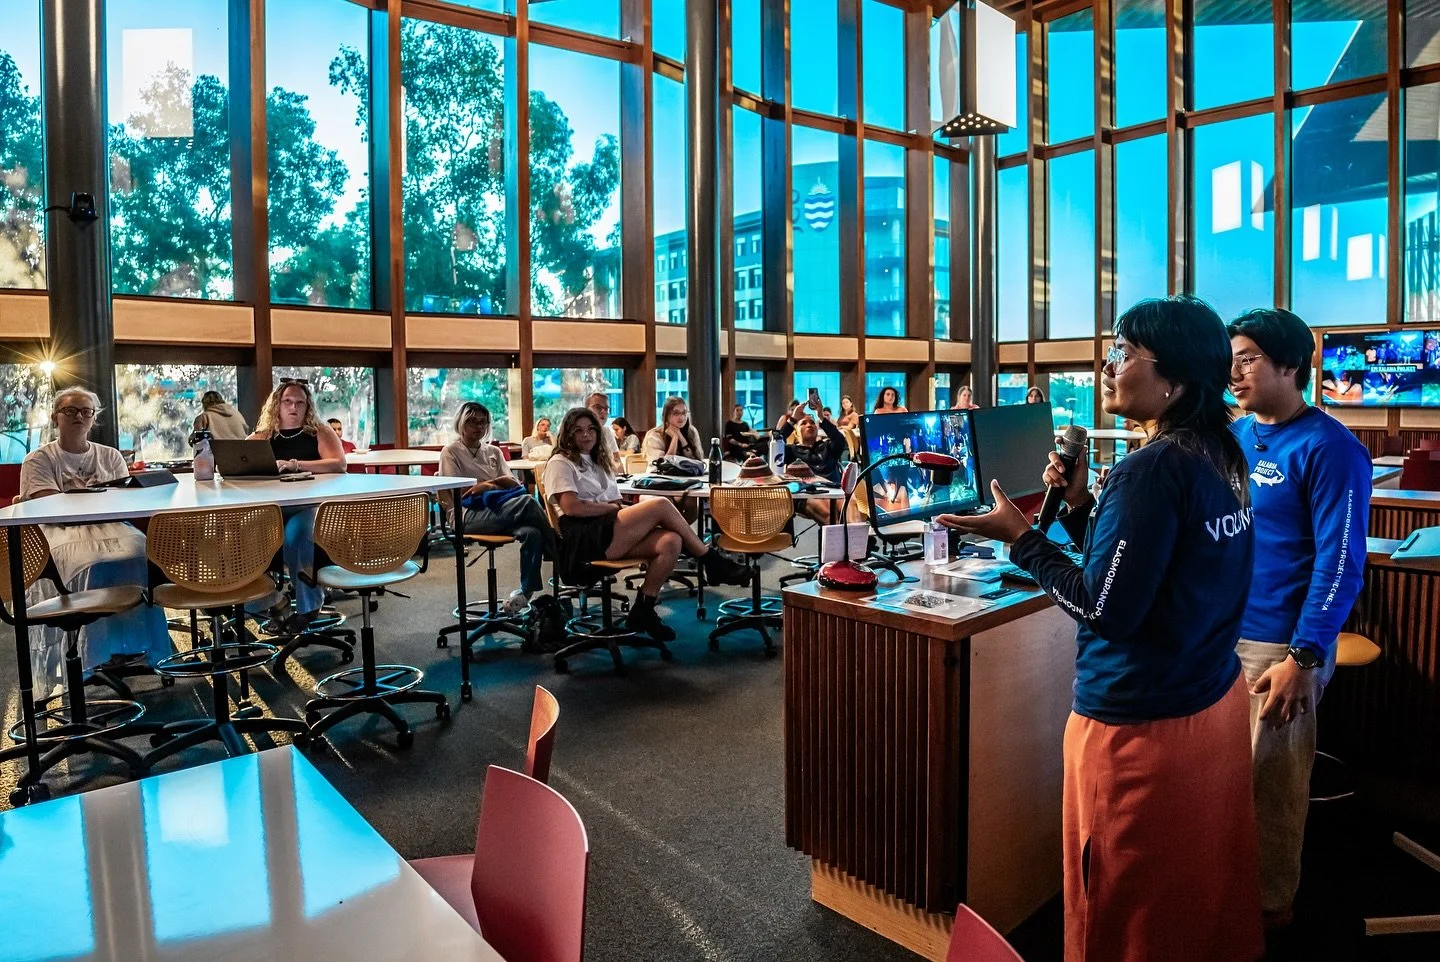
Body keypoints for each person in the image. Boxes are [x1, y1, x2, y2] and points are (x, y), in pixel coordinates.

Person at [937, 295, 1263, 962]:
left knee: (1123, 905)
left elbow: (1104, 609)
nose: (1107, 366)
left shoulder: (1152, 470)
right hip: (1209, 707)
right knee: (1191, 897)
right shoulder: (1220, 453)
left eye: (1121, 352)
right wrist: (1085, 505)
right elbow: (1152, 571)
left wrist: (1022, 540)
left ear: (1169, 377)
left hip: (1141, 730)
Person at [1228, 308, 1371, 929]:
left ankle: (1271, 909)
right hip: (1222, 637)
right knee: (1224, 781)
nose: (1234, 371)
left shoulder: (1332, 447)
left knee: (1272, 788)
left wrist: (1305, 656)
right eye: (1231, 358)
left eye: (1250, 358)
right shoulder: (1236, 435)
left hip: (1281, 648)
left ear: (1291, 365)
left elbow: (1341, 565)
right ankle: (1224, 896)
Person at [541, 407, 749, 639]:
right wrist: (613, 509)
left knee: (671, 541)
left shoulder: (598, 461)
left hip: (608, 529)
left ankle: (643, 608)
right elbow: (573, 508)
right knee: (660, 504)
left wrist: (628, 513)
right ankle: (710, 560)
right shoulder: (560, 462)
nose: (586, 435)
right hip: (582, 538)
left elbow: (616, 502)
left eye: (591, 429)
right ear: (567, 434)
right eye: (578, 430)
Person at [19, 388, 172, 694]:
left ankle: (136, 646)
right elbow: (50, 507)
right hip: (61, 531)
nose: (78, 416)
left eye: (85, 411)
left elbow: (123, 502)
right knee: (89, 564)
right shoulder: (39, 459)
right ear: (55, 418)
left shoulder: (110, 455)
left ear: (94, 418)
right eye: (70, 411)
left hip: (112, 525)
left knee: (142, 554)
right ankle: (92, 655)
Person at [248, 379, 347, 631]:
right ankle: (270, 601)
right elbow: (238, 458)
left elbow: (338, 463)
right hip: (272, 509)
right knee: (242, 532)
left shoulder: (318, 432)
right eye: (287, 402)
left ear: (307, 407)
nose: (293, 407)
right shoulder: (264, 435)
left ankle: (308, 606)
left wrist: (295, 464)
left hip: (311, 507)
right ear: (277, 406)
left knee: (296, 533)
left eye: (300, 403)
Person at [442, 402, 556, 611]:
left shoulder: (493, 451)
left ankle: (525, 592)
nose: (478, 427)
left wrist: (488, 484)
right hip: (467, 515)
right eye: (472, 422)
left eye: (483, 422)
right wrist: (496, 483)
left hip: (498, 511)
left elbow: (513, 482)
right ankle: (558, 552)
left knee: (533, 533)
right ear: (461, 423)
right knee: (528, 502)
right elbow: (460, 492)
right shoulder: (451, 452)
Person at [772, 397, 848, 522]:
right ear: (796, 432)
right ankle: (849, 539)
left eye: (812, 423)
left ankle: (858, 540)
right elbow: (773, 445)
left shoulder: (827, 447)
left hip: (834, 492)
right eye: (803, 423)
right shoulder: (792, 451)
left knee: (851, 507)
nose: (809, 425)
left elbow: (840, 440)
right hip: (807, 494)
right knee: (831, 514)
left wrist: (821, 417)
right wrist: (792, 421)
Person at [642, 396, 705, 463]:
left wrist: (681, 438)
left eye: (684, 413)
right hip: (658, 473)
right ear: (666, 416)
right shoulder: (654, 435)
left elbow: (696, 461)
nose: (681, 417)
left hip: (684, 473)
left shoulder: (692, 431)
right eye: (676, 413)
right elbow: (663, 465)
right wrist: (674, 438)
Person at [585, 391, 622, 471]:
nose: (603, 412)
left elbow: (617, 462)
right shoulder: (579, 433)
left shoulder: (606, 431)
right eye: (598, 407)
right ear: (585, 410)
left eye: (606, 409)